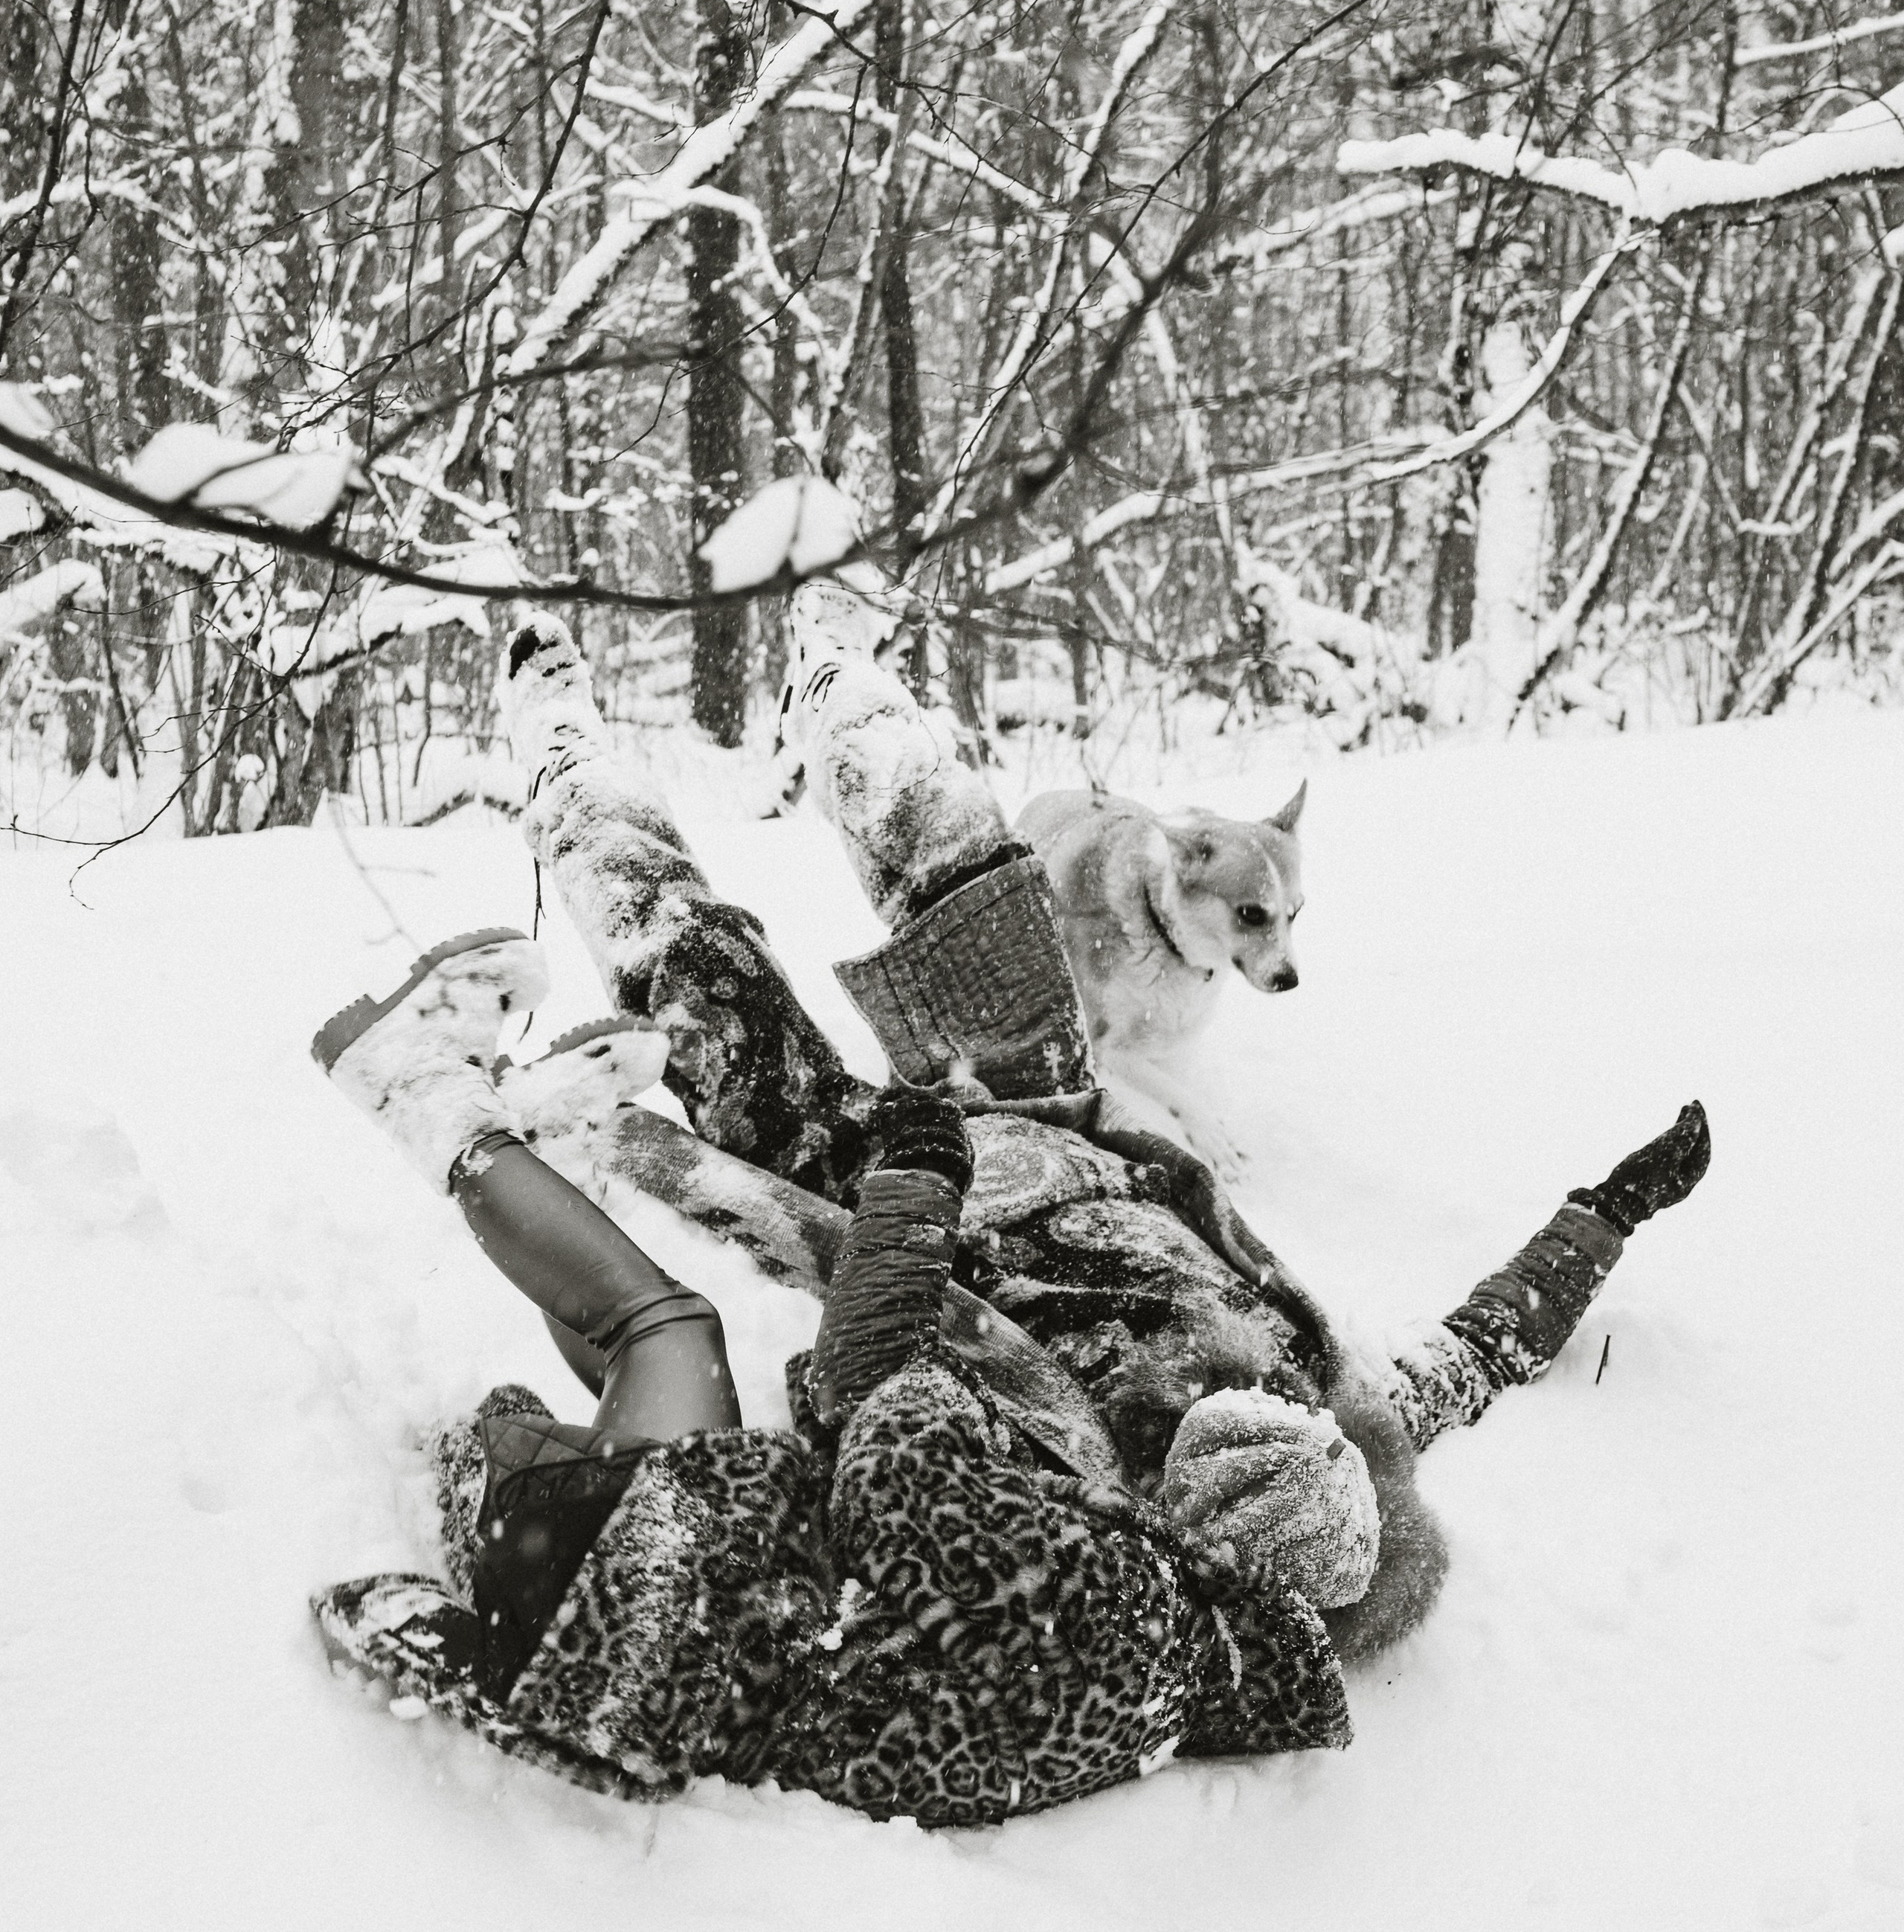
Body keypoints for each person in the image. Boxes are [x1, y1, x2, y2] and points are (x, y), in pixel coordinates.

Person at [309, 594, 1710, 1822]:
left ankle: (553, 739)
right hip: (1051, 1111)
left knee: (695, 960)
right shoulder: (1336, 1399)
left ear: (1204, 1510)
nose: (1248, 1404)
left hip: (874, 1175)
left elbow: (873, 1338)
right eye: (1283, 1419)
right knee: (969, 858)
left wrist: (685, 1166)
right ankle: (837, 678)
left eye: (1233, 1447)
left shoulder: (1085, 1468)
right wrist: (1604, 1215)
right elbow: (1475, 1352)